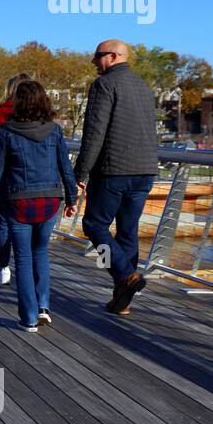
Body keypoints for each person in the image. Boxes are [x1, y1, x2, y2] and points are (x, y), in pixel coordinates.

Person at [0, 81, 78, 332]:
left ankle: (29, 317)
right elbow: (66, 168)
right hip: (49, 201)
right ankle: (44, 306)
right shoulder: (55, 131)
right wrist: (72, 199)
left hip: (17, 201)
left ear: (18, 102)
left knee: (22, 258)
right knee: (40, 252)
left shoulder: (5, 132)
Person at [74, 39, 159, 314]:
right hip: (144, 170)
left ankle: (125, 275)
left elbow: (94, 133)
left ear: (112, 56)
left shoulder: (104, 85)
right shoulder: (143, 86)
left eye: (97, 57)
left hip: (114, 170)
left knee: (94, 225)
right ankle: (123, 300)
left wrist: (80, 171)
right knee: (127, 232)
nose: (93, 63)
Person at [0, 72, 32, 285]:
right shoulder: (39, 112)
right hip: (33, 176)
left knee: (3, 223)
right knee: (32, 222)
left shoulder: (1, 111)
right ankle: (30, 268)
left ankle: (4, 268)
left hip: (6, 177)